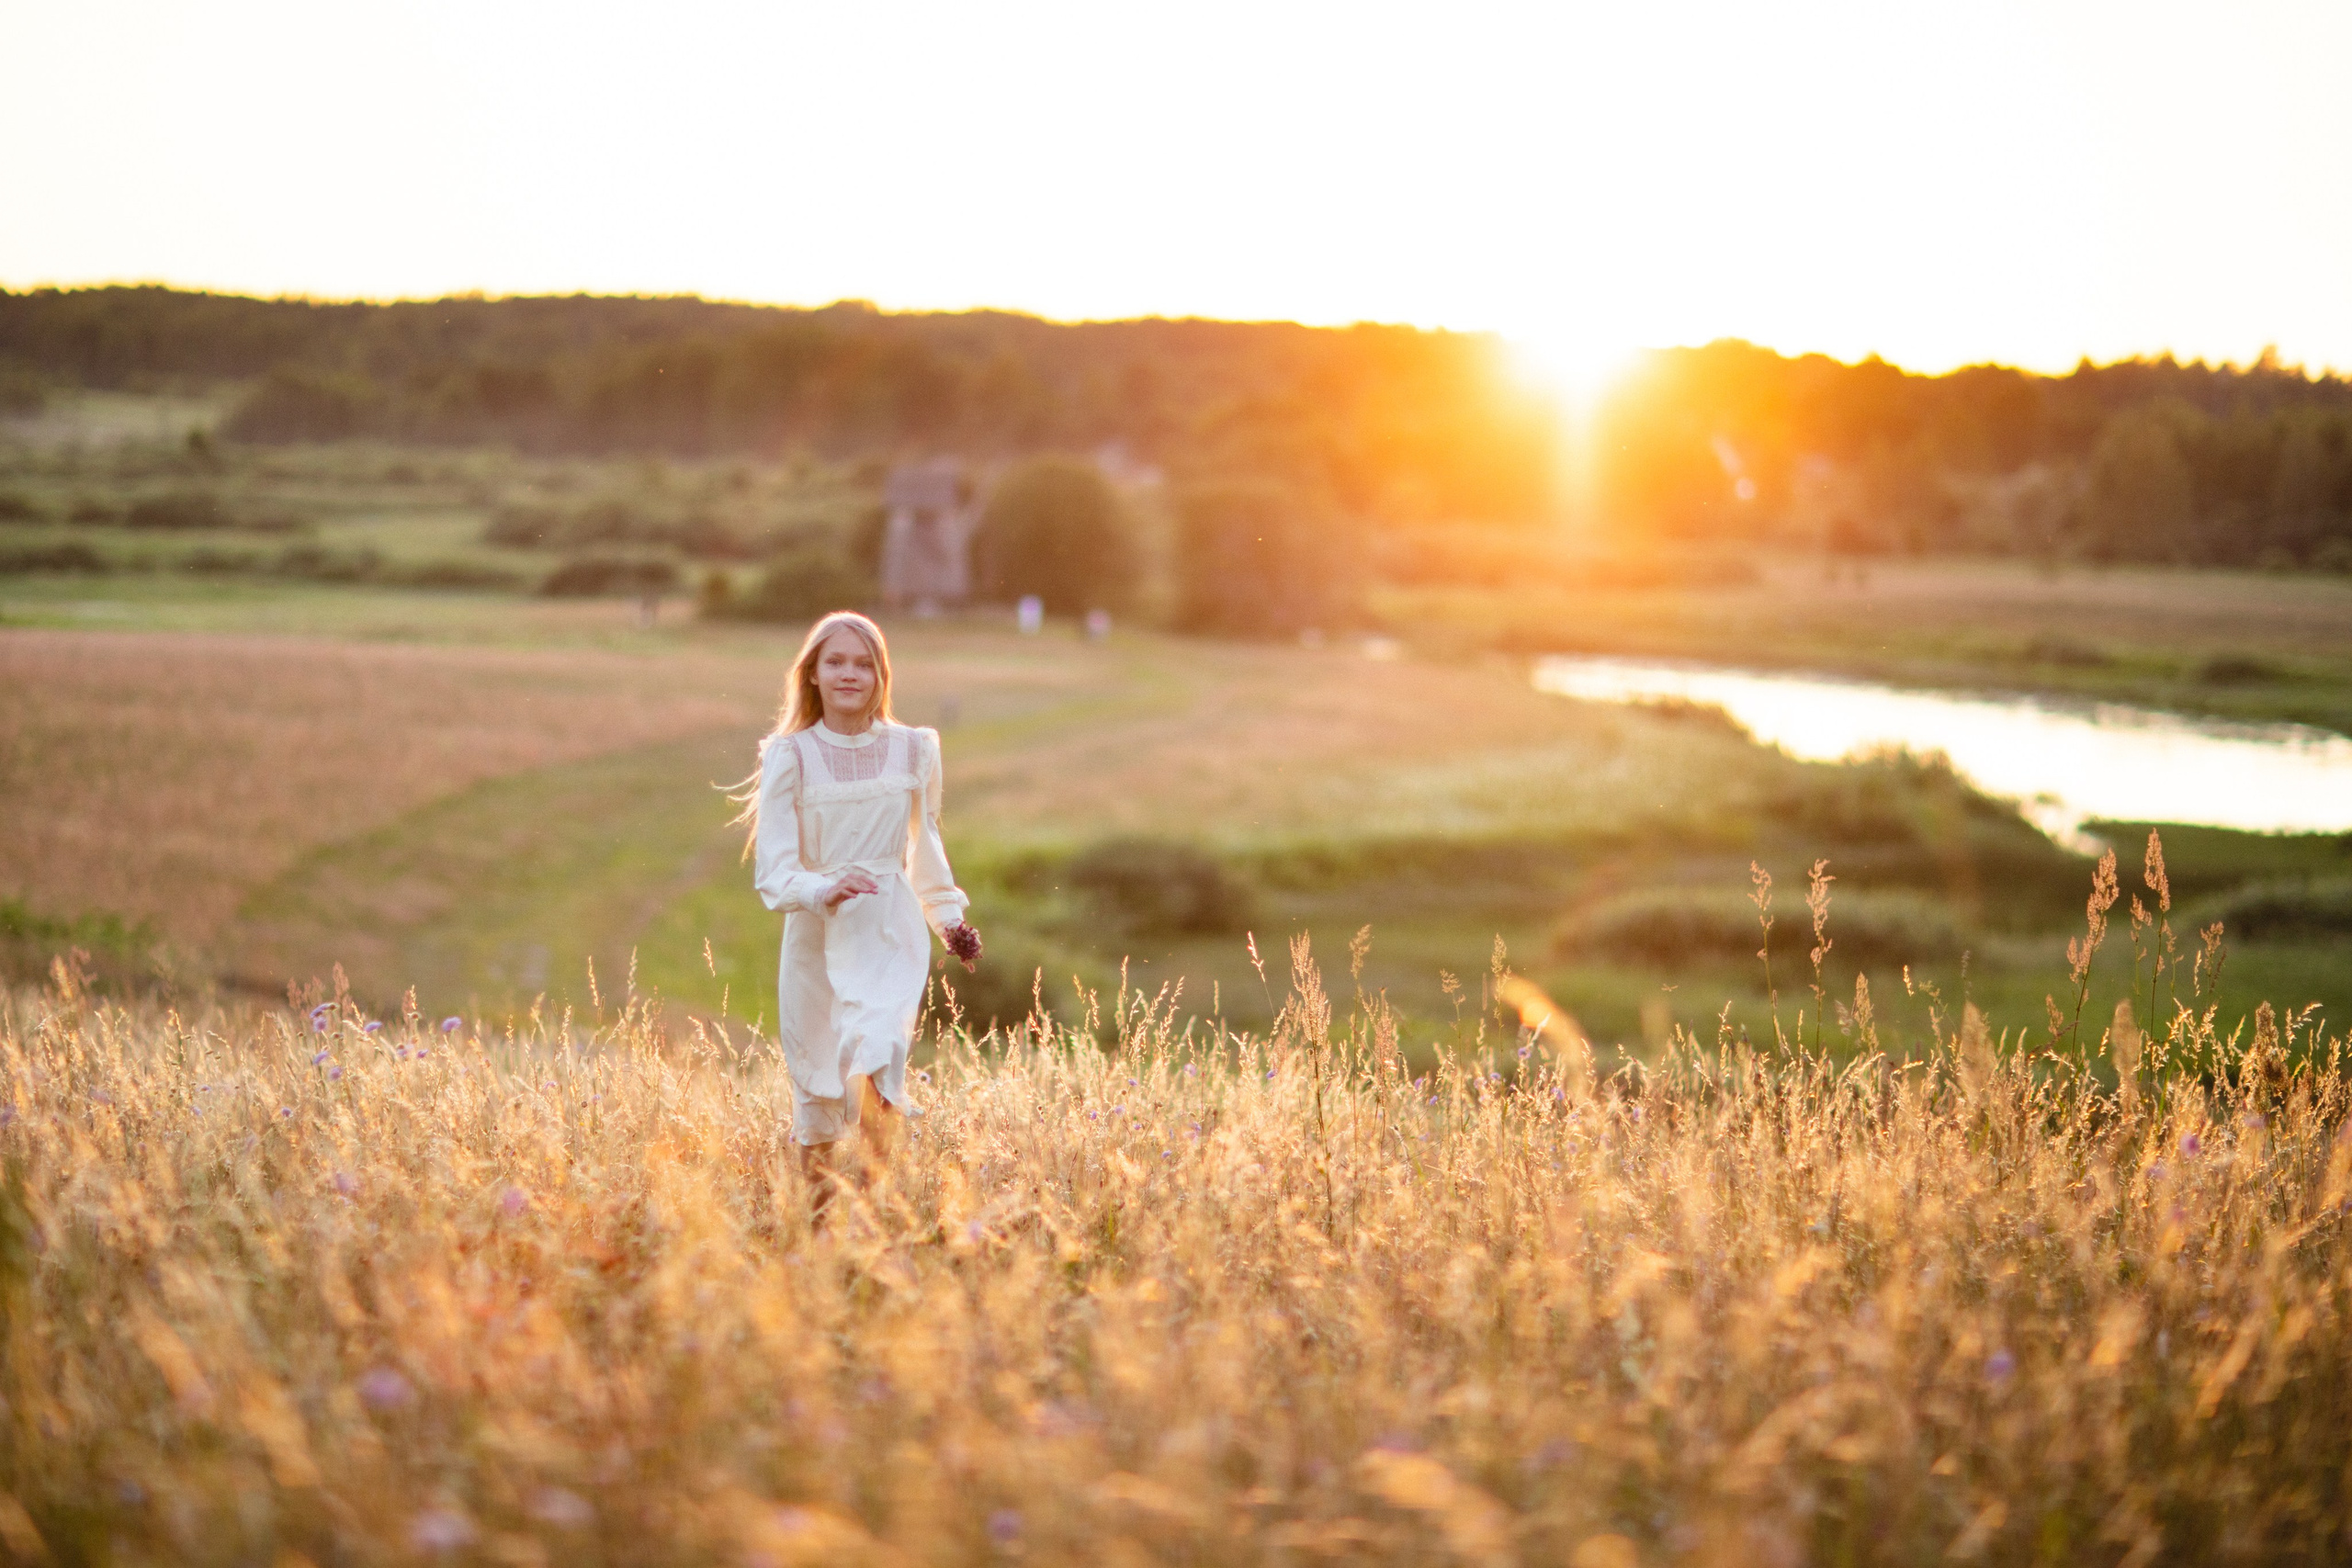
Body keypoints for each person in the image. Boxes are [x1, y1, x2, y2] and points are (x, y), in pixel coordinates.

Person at [729, 611, 981, 1208]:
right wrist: (823, 889)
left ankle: (872, 1210)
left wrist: (950, 922)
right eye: (836, 661)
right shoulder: (789, 756)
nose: (850, 673)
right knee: (818, 1084)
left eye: (864, 663)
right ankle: (818, 1222)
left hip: (887, 929)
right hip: (816, 933)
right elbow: (774, 872)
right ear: (812, 674)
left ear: (881, 675)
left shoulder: (914, 749)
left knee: (878, 1053)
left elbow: (924, 848)